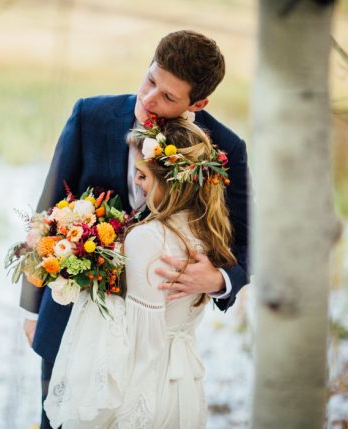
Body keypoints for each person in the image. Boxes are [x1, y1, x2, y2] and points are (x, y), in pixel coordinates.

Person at [20, 30, 250, 428]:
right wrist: (30, 307)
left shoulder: (224, 149)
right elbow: (47, 213)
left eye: (168, 97)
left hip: (155, 349)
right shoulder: (91, 116)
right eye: (150, 81)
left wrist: (218, 279)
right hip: (70, 320)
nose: (148, 100)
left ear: (198, 103)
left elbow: (249, 241)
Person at [43, 117, 236, 428]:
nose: (137, 183)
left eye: (143, 175)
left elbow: (139, 345)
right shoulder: (209, 233)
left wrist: (97, 286)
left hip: (147, 390)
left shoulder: (147, 238)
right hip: (185, 385)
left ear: (170, 182)